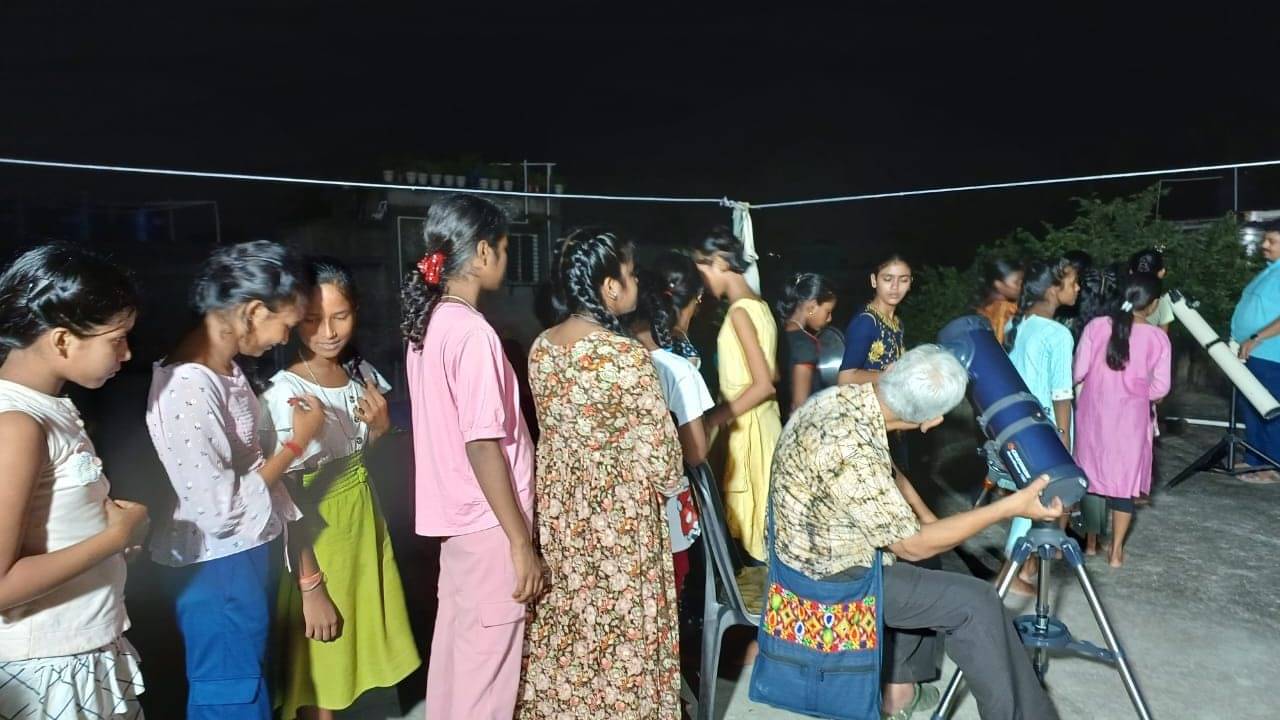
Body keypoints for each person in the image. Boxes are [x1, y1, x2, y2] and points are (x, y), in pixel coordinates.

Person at [771, 345, 1063, 720]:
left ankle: (899, 689)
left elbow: (887, 469)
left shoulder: (843, 399)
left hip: (803, 551)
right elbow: (910, 546)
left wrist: (927, 517)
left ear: (894, 369)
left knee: (933, 558)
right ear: (931, 421)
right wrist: (1010, 507)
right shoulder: (854, 449)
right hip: (826, 581)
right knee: (977, 603)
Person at [148, 240, 326, 720]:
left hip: (241, 558)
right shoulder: (188, 384)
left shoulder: (223, 369)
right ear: (253, 312)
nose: (283, 339)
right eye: (286, 324)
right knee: (232, 699)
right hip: (217, 566)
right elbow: (219, 509)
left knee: (249, 689)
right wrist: (296, 444)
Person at [519, 228, 684, 719]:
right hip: (619, 521)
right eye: (631, 274)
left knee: (570, 630)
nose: (636, 283)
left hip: (560, 516)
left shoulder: (541, 348)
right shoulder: (626, 356)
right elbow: (664, 462)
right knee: (624, 632)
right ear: (610, 286)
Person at [260, 258, 419, 720]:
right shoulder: (284, 393)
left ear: (356, 311)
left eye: (340, 316)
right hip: (319, 544)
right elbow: (285, 497)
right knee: (322, 680)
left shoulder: (361, 375)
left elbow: (360, 457)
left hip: (364, 532)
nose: (327, 332)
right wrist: (311, 586)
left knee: (357, 672)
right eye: (312, 319)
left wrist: (380, 430)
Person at [402, 195, 540, 720]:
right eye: (503, 248)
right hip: (490, 529)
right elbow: (482, 445)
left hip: (460, 531)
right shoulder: (473, 333)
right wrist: (520, 543)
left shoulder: (429, 325)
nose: (504, 258)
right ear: (483, 253)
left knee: (457, 678)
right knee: (486, 692)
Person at [0, 244, 151, 720]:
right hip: (47, 666)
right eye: (117, 339)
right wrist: (113, 538)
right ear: (63, 340)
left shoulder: (49, 411)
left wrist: (107, 542)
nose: (127, 353)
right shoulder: (17, 425)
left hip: (82, 648)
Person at [692, 227, 782, 562]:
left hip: (749, 432)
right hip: (764, 426)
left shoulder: (740, 312)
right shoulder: (761, 307)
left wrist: (714, 417)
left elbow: (764, 384)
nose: (701, 283)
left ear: (719, 263)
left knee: (752, 536)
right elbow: (773, 372)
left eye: (701, 272)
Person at [1074, 273, 1171, 567]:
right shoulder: (1158, 338)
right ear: (1154, 304)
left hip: (1093, 414)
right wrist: (1140, 392)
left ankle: (1091, 544)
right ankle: (1116, 552)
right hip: (1131, 419)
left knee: (1091, 477)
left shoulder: (1095, 327)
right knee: (1123, 483)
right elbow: (1160, 388)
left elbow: (1077, 372)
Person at [629, 266, 712, 594]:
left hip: (620, 510)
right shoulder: (678, 370)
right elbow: (696, 452)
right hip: (666, 509)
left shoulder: (607, 366)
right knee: (669, 591)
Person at [1002, 257, 1079, 594]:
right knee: (1035, 501)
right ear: (1052, 289)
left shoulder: (1016, 324)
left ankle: (1027, 566)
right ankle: (1008, 574)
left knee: (1028, 497)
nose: (1078, 288)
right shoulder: (1058, 333)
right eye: (1072, 283)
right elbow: (1062, 393)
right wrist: (1063, 438)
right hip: (1046, 427)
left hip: (1019, 425)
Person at [1231, 221, 1280, 483]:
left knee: (1269, 410)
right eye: (1265, 240)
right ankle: (1254, 459)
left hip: (1271, 355)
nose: (1264, 245)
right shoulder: (1271, 271)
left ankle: (1272, 466)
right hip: (1253, 353)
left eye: (1272, 241)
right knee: (1252, 407)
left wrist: (1256, 337)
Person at [838, 253, 912, 386]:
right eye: (888, 279)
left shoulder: (897, 323)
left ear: (910, 283)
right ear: (874, 280)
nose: (895, 286)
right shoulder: (866, 321)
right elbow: (845, 378)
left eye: (903, 280)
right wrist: (888, 376)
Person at [775, 272, 837, 417]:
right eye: (828, 312)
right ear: (811, 308)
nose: (829, 318)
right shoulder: (805, 344)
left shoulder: (779, 334)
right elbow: (800, 405)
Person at [974, 258, 1023, 345]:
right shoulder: (1006, 309)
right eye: (1016, 282)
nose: (1022, 286)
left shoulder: (983, 308)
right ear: (998, 284)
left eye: (1022, 281)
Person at [1129, 248, 1173, 334]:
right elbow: (1163, 338)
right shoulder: (1162, 304)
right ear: (1161, 272)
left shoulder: (1116, 297)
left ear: (1131, 272)